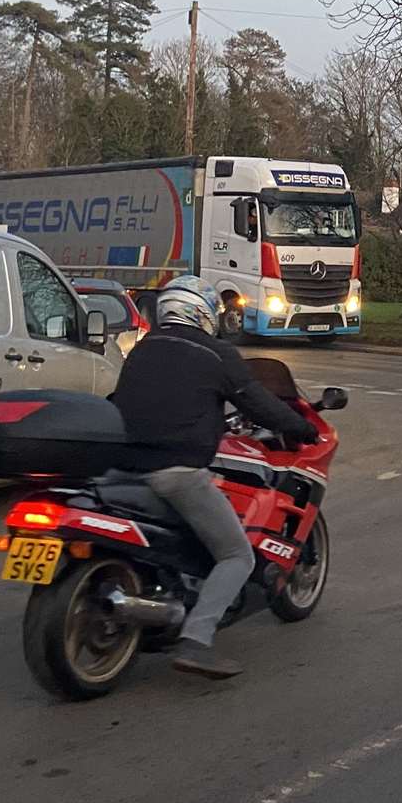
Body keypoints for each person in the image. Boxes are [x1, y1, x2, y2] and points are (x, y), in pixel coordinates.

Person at [110, 277, 319, 680]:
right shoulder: (215, 353)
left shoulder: (141, 349)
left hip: (125, 468)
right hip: (177, 472)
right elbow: (258, 404)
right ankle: (197, 640)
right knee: (236, 554)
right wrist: (301, 428)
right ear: (203, 312)